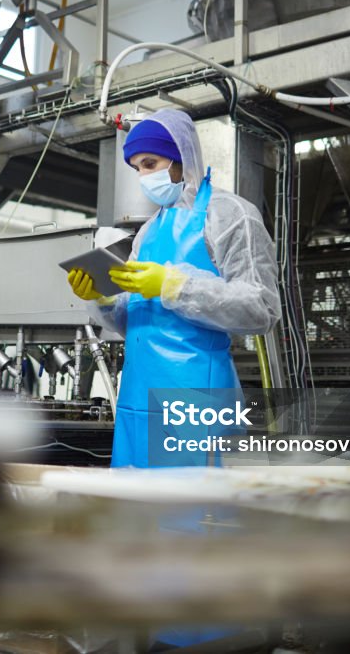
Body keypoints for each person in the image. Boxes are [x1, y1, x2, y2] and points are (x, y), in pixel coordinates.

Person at [67, 108, 280, 469]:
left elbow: (261, 308)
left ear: (182, 156)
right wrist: (103, 299)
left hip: (196, 400)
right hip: (137, 401)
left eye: (151, 163)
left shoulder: (230, 216)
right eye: (137, 168)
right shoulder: (148, 231)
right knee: (136, 514)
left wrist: (174, 286)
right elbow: (133, 320)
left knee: (194, 515)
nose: (143, 177)